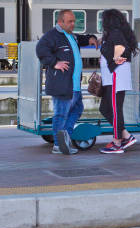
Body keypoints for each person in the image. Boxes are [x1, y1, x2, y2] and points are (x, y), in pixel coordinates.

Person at [36, 9, 98, 155]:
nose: (73, 24)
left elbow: (83, 39)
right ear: (60, 22)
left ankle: (65, 139)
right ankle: (58, 145)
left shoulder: (71, 36)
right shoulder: (52, 36)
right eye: (70, 21)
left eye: (73, 21)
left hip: (74, 85)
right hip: (62, 84)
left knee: (77, 110)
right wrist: (54, 62)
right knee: (61, 114)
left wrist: (92, 38)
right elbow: (40, 49)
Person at [98, 9, 139, 154]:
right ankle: (126, 136)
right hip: (112, 77)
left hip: (116, 76)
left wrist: (113, 60)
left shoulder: (115, 33)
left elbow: (122, 49)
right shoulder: (114, 34)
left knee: (115, 110)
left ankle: (117, 143)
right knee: (105, 108)